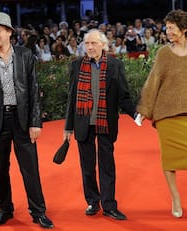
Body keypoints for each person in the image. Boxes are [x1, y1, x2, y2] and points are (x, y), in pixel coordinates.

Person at [0, 12, 54, 228]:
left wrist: (36, 122)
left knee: (30, 168)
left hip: (23, 121)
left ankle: (38, 212)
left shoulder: (26, 55)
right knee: (1, 170)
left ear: (9, 32)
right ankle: (5, 210)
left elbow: (34, 91)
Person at [136, 9, 187, 223]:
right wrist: (144, 110)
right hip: (165, 114)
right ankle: (175, 199)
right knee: (169, 160)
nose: (168, 31)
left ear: (183, 29)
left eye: (171, 28)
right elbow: (153, 81)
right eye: (167, 28)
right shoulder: (163, 52)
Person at [63, 29, 138, 220]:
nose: (89, 47)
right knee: (87, 167)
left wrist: (137, 115)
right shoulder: (77, 65)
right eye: (86, 44)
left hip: (106, 122)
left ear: (103, 45)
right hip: (83, 123)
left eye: (93, 43)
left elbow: (123, 96)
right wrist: (68, 127)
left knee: (107, 166)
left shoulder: (115, 65)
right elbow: (72, 98)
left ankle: (109, 205)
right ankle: (93, 202)